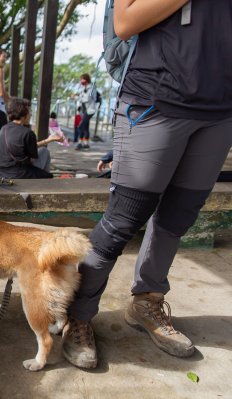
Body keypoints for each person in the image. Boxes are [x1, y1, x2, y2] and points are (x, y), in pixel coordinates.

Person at [62, 0, 232, 369]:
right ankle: (78, 315)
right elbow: (125, 21)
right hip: (156, 96)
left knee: (178, 217)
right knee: (125, 217)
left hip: (220, 110)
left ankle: (147, 303)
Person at [0, 98, 63, 179]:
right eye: (29, 111)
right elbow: (32, 160)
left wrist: (49, 139)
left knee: (43, 152)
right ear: (23, 114)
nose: (30, 114)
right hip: (19, 174)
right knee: (45, 153)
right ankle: (43, 182)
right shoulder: (28, 133)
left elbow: (21, 146)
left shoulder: (4, 128)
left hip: (2, 172)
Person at [75, 73, 97, 150]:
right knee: (85, 126)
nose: (81, 81)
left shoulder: (92, 88)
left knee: (81, 126)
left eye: (83, 79)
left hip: (90, 110)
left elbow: (87, 99)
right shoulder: (82, 88)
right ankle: (86, 144)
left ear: (86, 79)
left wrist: (77, 97)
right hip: (83, 111)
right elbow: (81, 100)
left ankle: (80, 143)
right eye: (81, 79)